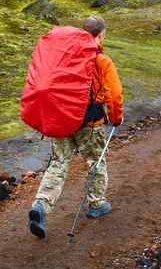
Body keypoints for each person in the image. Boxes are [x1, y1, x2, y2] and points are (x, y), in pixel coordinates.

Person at [28, 15, 124, 238]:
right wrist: (116, 117)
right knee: (95, 161)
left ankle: (41, 205)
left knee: (58, 163)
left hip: (61, 118)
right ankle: (96, 204)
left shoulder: (64, 55)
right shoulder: (101, 60)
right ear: (100, 35)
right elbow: (115, 94)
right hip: (89, 123)